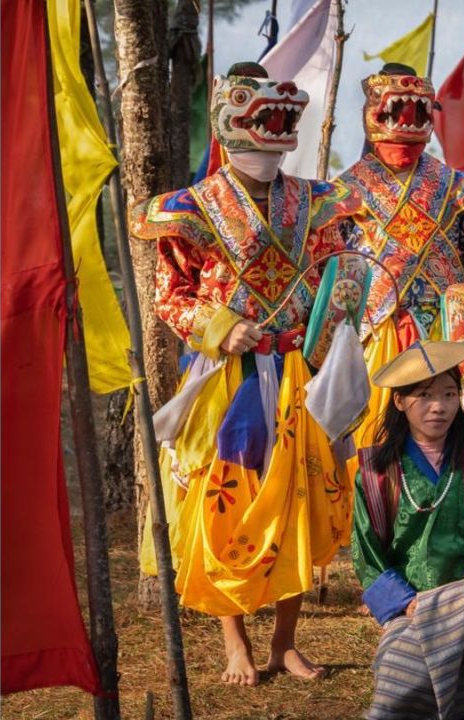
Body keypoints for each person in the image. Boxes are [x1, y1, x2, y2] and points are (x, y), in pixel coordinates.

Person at [132, 62, 368, 685]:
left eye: (284, 118)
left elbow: (343, 278)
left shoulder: (319, 202)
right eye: (262, 115)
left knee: (297, 501)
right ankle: (234, 638)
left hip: (295, 372)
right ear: (228, 118)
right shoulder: (189, 209)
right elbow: (170, 295)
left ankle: (285, 641)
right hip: (224, 377)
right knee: (221, 502)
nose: (275, 127)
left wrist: (329, 330)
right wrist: (216, 325)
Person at [352, 341, 464, 720]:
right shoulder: (374, 471)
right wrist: (407, 602)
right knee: (400, 658)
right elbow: (366, 552)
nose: (440, 406)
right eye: (426, 395)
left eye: (450, 394)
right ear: (399, 402)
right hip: (408, 607)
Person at [337, 63, 464, 454]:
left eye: (417, 111)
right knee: (374, 439)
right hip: (374, 332)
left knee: (449, 441)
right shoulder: (341, 192)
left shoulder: (461, 188)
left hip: (445, 331)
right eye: (396, 111)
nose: (406, 121)